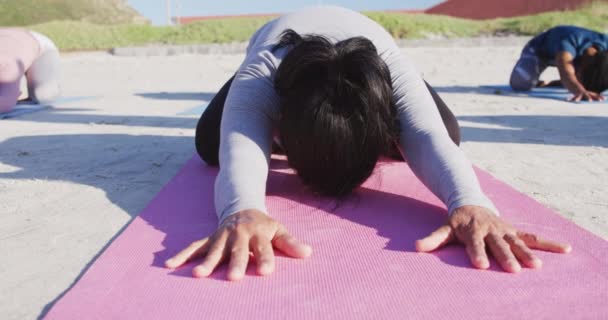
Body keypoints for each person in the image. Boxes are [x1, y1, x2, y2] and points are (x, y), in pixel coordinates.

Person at [166, 6, 571, 281]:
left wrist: (471, 204)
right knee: (210, 144)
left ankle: (367, 130)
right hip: (279, 59)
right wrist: (242, 210)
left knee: (447, 132)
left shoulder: (392, 71)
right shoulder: (263, 75)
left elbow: (429, 137)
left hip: (367, 57)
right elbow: (239, 148)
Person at [510, 25, 608, 102]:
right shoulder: (570, 42)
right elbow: (565, 70)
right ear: (583, 66)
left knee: (577, 80)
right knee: (520, 84)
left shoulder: (605, 43)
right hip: (539, 51)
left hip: (575, 57)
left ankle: (560, 83)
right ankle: (571, 82)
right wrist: (579, 90)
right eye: (580, 76)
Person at [0, 28, 61, 113]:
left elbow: (7, 102)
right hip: (10, 40)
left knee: (44, 97)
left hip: (39, 45)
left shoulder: (8, 65)